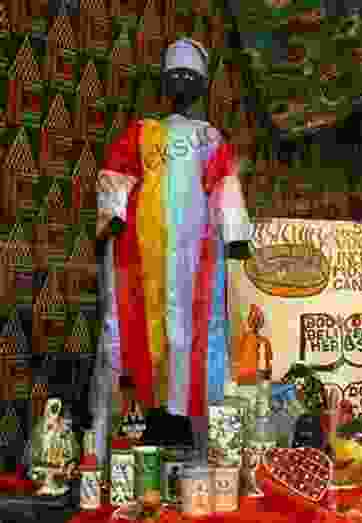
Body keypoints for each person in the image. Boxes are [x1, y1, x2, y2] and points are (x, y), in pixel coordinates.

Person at [93, 38, 253, 461]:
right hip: (143, 253)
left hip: (195, 256)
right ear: (164, 83)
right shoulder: (141, 132)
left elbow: (225, 187)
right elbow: (115, 175)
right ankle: (152, 417)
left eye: (190, 76)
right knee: (147, 332)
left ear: (201, 87)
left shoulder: (210, 137)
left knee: (189, 335)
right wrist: (113, 215)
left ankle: (184, 423)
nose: (181, 82)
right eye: (174, 75)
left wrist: (235, 235)